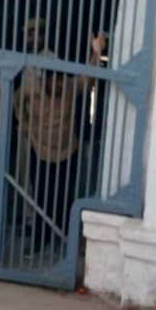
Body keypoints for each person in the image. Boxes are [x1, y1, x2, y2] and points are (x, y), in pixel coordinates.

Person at [12, 33, 105, 252]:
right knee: (41, 196)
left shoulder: (71, 87)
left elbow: (88, 79)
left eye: (63, 80)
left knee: (63, 197)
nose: (60, 85)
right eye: (55, 80)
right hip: (40, 149)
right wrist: (24, 123)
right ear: (45, 79)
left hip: (67, 151)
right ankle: (40, 239)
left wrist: (96, 52)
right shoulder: (32, 89)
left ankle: (65, 240)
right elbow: (16, 100)